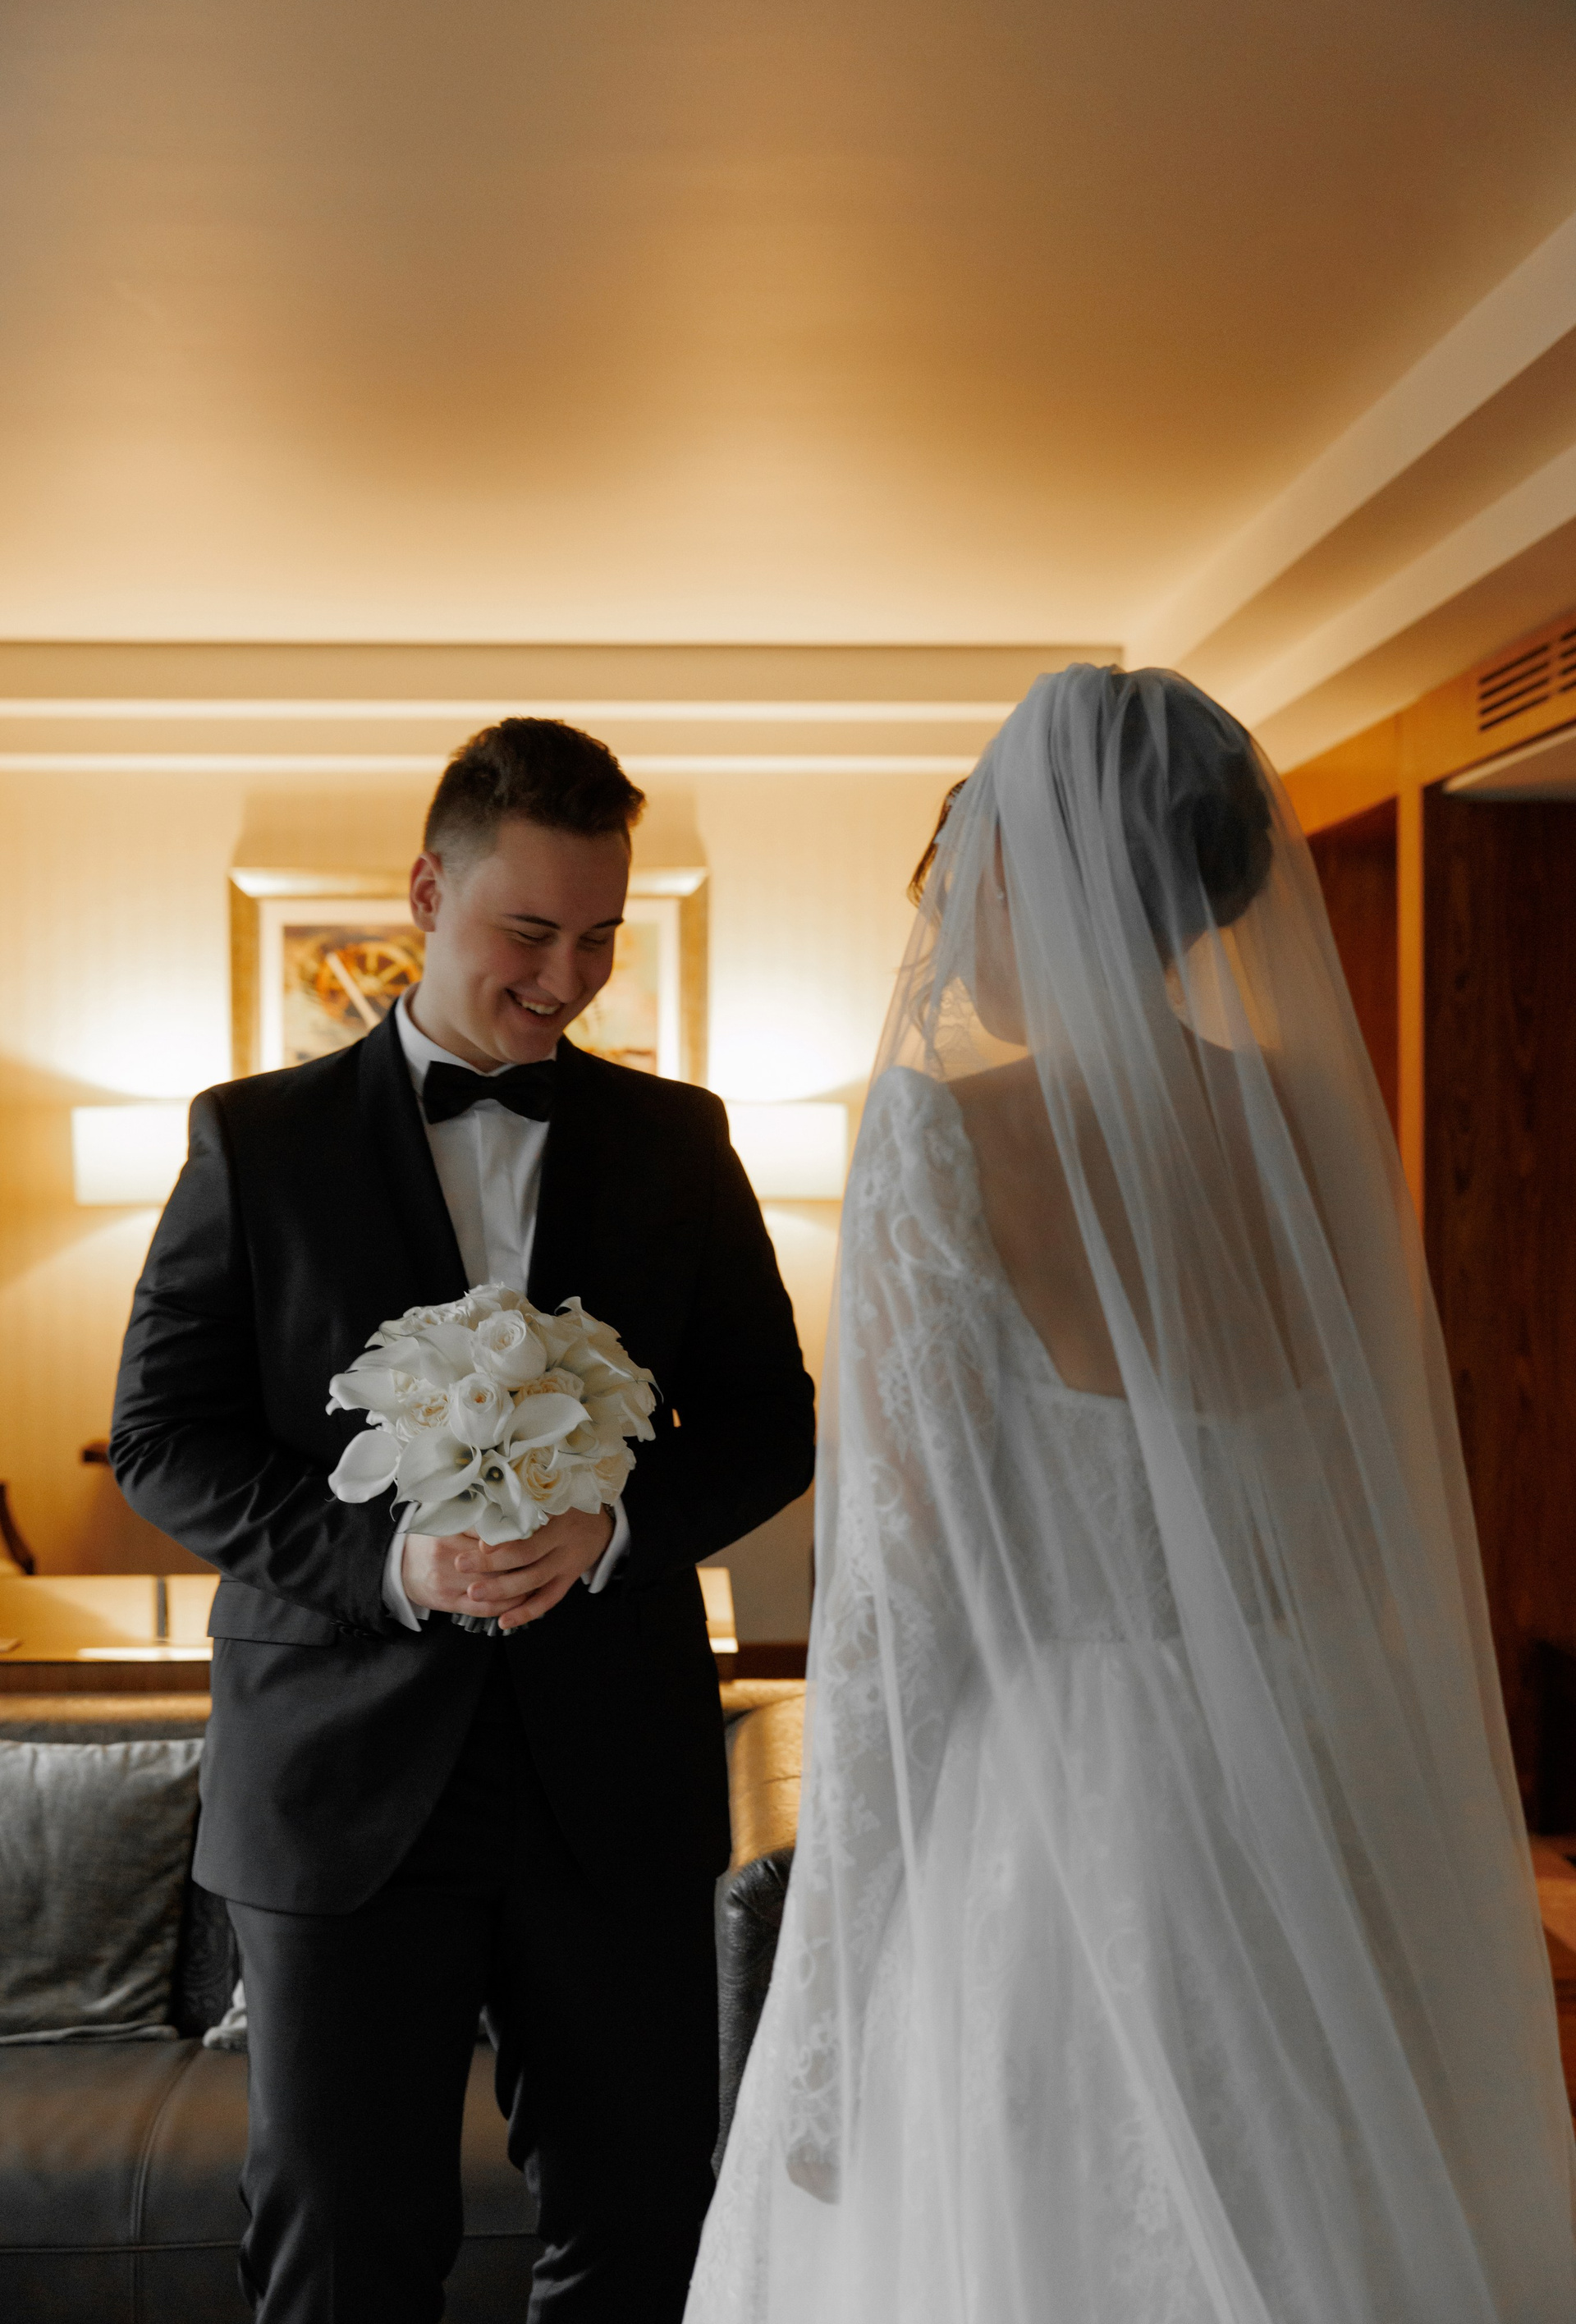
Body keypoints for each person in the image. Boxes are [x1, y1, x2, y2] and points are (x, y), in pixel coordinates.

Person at [686, 667, 1576, 2323]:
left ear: (1036, 875)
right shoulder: (1304, 1125)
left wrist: (827, 2008)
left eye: (975, 860)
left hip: (1060, 1820)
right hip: (1305, 1765)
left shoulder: (946, 1138)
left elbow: (903, 1600)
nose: (952, 902)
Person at [110, 717, 817, 2324]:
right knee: (342, 2246)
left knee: (644, 2226)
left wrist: (618, 1528)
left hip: (612, 1779)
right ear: (430, 893)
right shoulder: (254, 1140)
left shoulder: (681, 1141)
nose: (568, 978)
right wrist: (388, 1561)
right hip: (339, 1785)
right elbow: (161, 1438)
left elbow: (771, 1421)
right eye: (531, 931)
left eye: (600, 938)